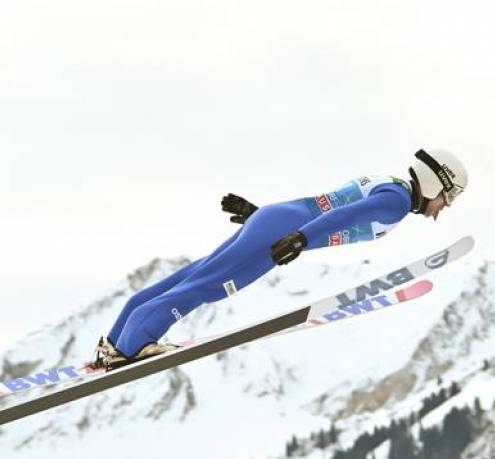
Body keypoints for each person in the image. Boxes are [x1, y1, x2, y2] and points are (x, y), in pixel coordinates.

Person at [91, 148, 469, 370]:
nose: (443, 207)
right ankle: (134, 343)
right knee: (210, 285)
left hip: (276, 220)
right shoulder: (398, 201)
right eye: (447, 197)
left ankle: (117, 340)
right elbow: (343, 216)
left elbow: (331, 205)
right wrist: (300, 239)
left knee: (198, 274)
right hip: (283, 231)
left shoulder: (393, 187)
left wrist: (266, 219)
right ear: (436, 181)